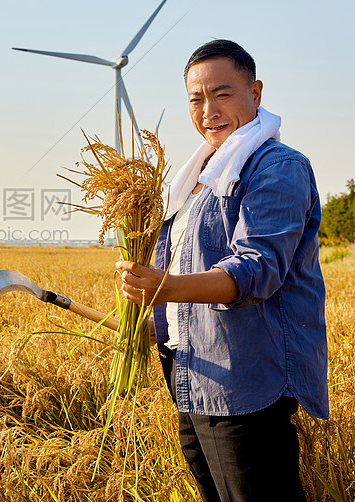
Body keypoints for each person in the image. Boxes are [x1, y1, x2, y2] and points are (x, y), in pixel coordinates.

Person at [116, 39, 328, 502]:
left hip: (245, 377)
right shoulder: (196, 176)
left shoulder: (275, 167)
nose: (208, 109)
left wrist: (166, 288)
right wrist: (154, 319)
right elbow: (184, 259)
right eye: (196, 98)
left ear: (256, 92)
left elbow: (257, 269)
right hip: (192, 369)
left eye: (222, 93)